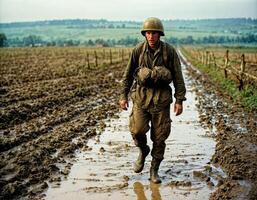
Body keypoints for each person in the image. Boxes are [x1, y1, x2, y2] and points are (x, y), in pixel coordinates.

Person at [119, 17, 186, 184]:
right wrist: (123, 96)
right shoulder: (137, 51)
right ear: (144, 34)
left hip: (161, 100)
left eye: (154, 33)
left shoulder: (169, 52)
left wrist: (179, 100)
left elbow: (178, 76)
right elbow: (127, 75)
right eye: (148, 33)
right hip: (141, 98)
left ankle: (154, 169)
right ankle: (143, 150)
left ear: (160, 34)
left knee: (160, 136)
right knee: (137, 130)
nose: (151, 36)